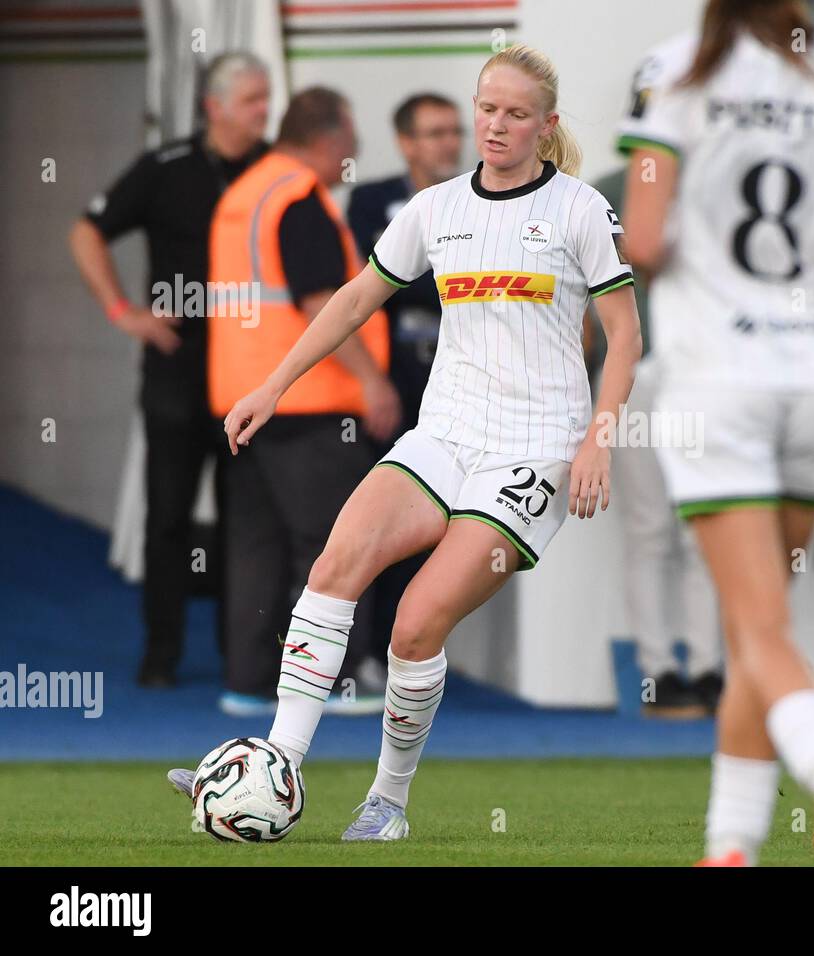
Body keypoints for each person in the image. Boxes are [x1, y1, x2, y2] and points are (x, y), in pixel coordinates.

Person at [170, 45, 641, 840]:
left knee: (415, 624)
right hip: (445, 433)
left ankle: (387, 802)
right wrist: (272, 386)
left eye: (515, 114)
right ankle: (275, 765)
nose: (495, 125)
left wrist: (600, 439)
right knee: (333, 568)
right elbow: (356, 300)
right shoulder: (434, 209)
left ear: (546, 125)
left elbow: (625, 335)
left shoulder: (581, 212)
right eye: (486, 108)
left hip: (533, 451)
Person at [620, 0, 814, 866]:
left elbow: (641, 238)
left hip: (720, 377)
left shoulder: (674, 70)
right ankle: (730, 845)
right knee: (762, 622)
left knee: (755, 630)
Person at [68, 52, 271, 688]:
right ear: (215, 107)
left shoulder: (275, 172)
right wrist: (123, 312)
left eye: (268, 99)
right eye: (252, 101)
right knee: (167, 516)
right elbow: (87, 231)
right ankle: (161, 652)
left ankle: (241, 653)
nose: (265, 111)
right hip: (177, 370)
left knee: (248, 518)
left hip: (249, 374)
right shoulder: (165, 168)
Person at [206, 87, 398, 717]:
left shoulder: (244, 194)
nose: (353, 155)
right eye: (350, 143)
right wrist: (372, 381)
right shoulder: (299, 199)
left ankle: (249, 681)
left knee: (255, 546)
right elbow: (321, 302)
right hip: (309, 401)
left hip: (242, 401)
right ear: (328, 141)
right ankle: (338, 679)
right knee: (332, 543)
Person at [592, 164, 723, 718]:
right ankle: (659, 671)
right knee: (650, 528)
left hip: (704, 372)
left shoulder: (712, 178)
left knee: (703, 526)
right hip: (637, 368)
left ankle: (709, 667)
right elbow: (582, 296)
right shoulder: (605, 192)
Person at [348, 93, 465, 691]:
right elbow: (377, 284)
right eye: (434, 133)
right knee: (379, 522)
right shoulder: (373, 200)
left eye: (453, 131)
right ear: (406, 142)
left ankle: (411, 656)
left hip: (457, 385)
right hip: (393, 385)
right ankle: (363, 652)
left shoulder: (477, 196)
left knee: (440, 525)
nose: (449, 143)